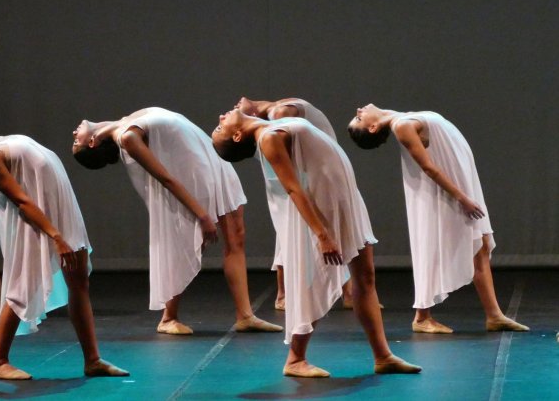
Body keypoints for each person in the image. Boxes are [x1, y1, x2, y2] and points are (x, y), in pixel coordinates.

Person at [213, 109, 420, 377]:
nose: (220, 118)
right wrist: (322, 235)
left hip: (343, 201)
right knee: (314, 284)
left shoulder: (273, 124)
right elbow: (293, 188)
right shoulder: (268, 138)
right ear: (238, 135)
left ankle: (383, 356)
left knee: (365, 277)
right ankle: (295, 359)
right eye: (220, 128)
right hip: (323, 210)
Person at [72, 107, 280, 335]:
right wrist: (202, 215)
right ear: (91, 143)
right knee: (184, 244)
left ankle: (245, 315)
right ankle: (168, 317)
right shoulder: (128, 137)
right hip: (191, 176)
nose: (74, 133)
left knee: (236, 235)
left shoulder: (125, 122)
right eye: (76, 141)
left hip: (210, 161)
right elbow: (165, 178)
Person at [0, 137, 128, 380]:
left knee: (78, 282)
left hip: (58, 207)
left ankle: (93, 360)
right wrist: (55, 237)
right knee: (22, 285)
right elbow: (22, 202)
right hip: (37, 220)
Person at [348, 104, 528, 334]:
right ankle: (422, 316)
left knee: (480, 245)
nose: (359, 109)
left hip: (461, 184)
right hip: (447, 193)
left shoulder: (404, 118)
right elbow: (428, 168)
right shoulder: (402, 126)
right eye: (358, 117)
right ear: (373, 127)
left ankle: (494, 315)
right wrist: (462, 198)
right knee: (434, 246)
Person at [236, 96, 373, 311]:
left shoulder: (279, 109)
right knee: (290, 231)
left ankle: (344, 291)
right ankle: (287, 295)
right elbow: (281, 148)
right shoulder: (278, 115)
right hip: (309, 178)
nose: (235, 106)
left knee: (314, 232)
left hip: (319, 175)